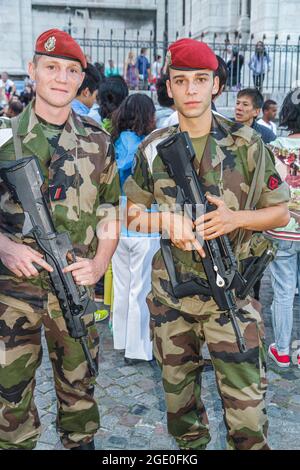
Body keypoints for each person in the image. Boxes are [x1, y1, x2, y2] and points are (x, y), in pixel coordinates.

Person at [124, 37, 290, 450]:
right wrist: (165, 221)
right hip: (173, 304)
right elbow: (129, 215)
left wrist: (235, 218)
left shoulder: (248, 143)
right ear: (169, 87)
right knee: (183, 421)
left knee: (248, 424)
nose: (192, 89)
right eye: (182, 81)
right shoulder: (152, 149)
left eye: (201, 79)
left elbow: (281, 212)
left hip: (232, 301)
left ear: (217, 85)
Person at [0, 29, 120, 450]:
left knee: (80, 401)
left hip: (76, 290)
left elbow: (110, 212)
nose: (60, 77)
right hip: (12, 295)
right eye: (51, 67)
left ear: (81, 80)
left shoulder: (97, 141)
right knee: (8, 407)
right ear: (33, 70)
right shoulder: (3, 137)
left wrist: (101, 263)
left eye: (71, 70)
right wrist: (5, 245)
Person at [111, 94, 160, 362]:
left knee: (122, 287)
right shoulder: (147, 147)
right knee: (140, 290)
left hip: (118, 222)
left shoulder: (115, 142)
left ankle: (120, 339)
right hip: (144, 223)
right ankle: (138, 349)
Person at [264, 88, 300, 369]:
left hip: (282, 226)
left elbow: (268, 188)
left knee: (284, 290)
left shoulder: (275, 146)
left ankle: (283, 350)